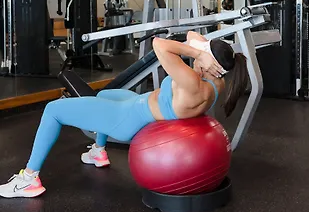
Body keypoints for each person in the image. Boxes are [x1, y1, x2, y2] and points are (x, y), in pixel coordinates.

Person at [0, 31, 248, 198]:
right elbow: (193, 35)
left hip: (127, 118)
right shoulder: (218, 81)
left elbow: (159, 44)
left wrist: (198, 53)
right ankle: (98, 152)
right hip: (136, 105)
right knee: (105, 95)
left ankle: (29, 179)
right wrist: (204, 50)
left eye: (203, 56)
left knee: (53, 110)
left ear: (208, 62)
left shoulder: (192, 82)